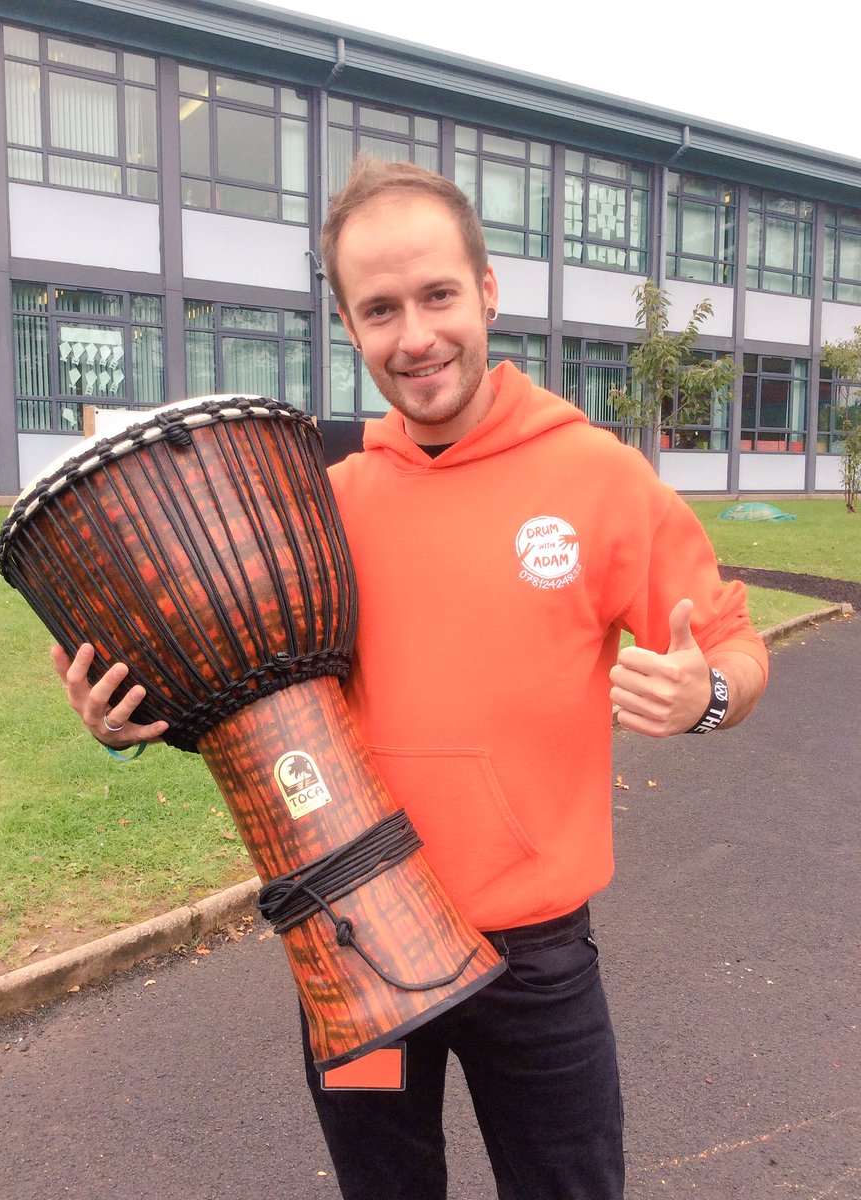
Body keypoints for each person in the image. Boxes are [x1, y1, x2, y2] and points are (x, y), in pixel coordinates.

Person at [53, 158, 768, 1200]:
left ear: (485, 290)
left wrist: (705, 695)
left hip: (534, 968)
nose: (415, 335)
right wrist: (127, 719)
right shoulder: (316, 504)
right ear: (349, 326)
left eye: (436, 295)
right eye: (379, 309)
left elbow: (734, 649)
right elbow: (238, 689)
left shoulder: (598, 479)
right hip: (350, 948)